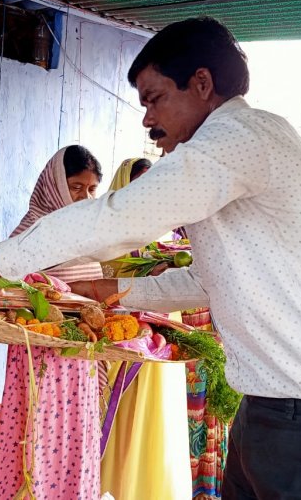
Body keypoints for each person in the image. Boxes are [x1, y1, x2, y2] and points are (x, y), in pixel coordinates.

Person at [0, 17, 301, 499]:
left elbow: (120, 217)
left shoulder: (244, 136)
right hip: (271, 412)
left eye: (155, 99)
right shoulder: (219, 164)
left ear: (201, 84)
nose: (148, 120)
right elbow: (207, 278)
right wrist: (111, 291)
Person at [0, 145, 103, 500]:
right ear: (54, 184)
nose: (84, 198)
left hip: (79, 361)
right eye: (75, 187)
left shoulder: (86, 234)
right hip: (41, 360)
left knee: (73, 441)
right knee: (40, 439)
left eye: (91, 190)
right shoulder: (31, 233)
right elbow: (7, 291)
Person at [97, 158, 191, 500]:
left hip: (162, 336)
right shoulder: (112, 231)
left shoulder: (162, 230)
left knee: (157, 421)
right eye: (140, 184)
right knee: (126, 418)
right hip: (129, 339)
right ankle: (118, 486)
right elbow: (110, 279)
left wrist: (168, 267)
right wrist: (153, 273)